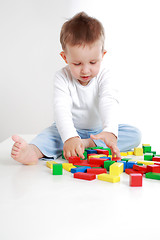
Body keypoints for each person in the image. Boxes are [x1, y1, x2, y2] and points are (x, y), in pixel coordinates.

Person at [11, 12, 141, 165]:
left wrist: (110, 131)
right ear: (65, 58)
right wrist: (70, 137)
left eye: (93, 62)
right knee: (49, 135)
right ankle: (33, 151)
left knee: (133, 134)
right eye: (77, 64)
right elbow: (61, 109)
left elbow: (109, 101)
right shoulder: (62, 77)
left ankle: (85, 144)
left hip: (98, 133)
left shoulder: (105, 75)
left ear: (102, 55)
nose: (85, 70)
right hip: (70, 129)